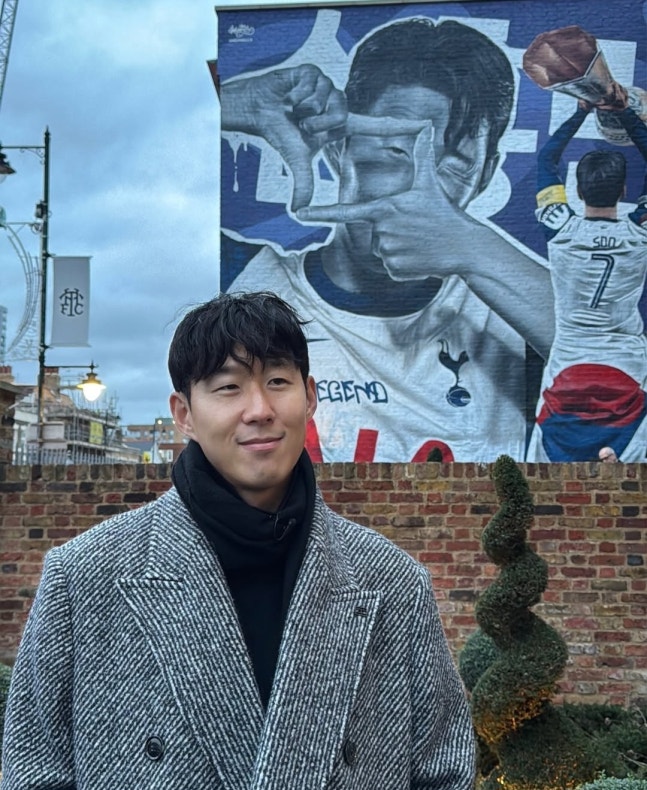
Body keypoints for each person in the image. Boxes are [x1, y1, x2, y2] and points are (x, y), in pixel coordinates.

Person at [1, 291, 476, 789]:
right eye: (228, 387)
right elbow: (35, 773)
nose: (259, 409)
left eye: (278, 381)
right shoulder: (84, 576)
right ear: (184, 414)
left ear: (310, 397)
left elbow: (444, 771)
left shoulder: (393, 582)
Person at [220, 18, 555, 463]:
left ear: (486, 175)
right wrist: (239, 101)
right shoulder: (246, 277)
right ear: (338, 148)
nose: (418, 194)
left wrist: (473, 250)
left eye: (454, 166)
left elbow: (615, 351)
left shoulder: (512, 320)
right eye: (396, 151)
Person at [527, 93, 647, 462]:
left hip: (569, 363)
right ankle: (615, 454)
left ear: (577, 192)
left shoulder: (560, 229)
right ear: (624, 192)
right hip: (627, 366)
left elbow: (546, 160)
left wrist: (581, 112)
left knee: (542, 474)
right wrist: (625, 113)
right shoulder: (640, 233)